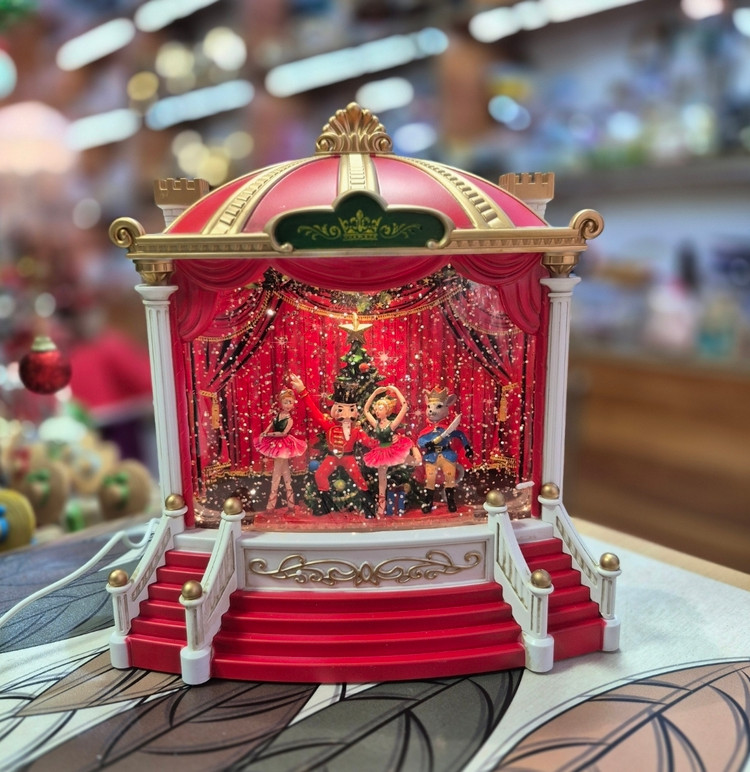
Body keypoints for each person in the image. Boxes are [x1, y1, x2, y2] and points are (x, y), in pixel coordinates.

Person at [289, 373, 377, 517]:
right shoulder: (329, 425)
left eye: (350, 410)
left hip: (349, 458)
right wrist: (303, 392)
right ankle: (325, 506)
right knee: (320, 475)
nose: (346, 415)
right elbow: (314, 411)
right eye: (341, 410)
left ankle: (369, 509)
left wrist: (385, 442)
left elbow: (369, 442)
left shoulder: (356, 430)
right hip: (332, 457)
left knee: (359, 479)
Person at [362, 385, 417, 517]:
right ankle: (381, 506)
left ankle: (414, 448)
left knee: (416, 462)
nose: (377, 411)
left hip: (393, 450)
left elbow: (404, 406)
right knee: (382, 480)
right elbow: (365, 410)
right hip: (381, 452)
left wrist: (396, 390)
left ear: (387, 411)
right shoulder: (376, 424)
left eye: (380, 408)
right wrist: (375, 393)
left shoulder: (391, 425)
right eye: (376, 409)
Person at [255, 388, 307, 510]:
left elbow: (283, 433)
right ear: (281, 403)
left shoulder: (289, 419)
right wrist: (265, 432)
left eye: (290, 402)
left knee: (277, 473)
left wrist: (268, 434)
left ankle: (271, 504)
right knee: (285, 472)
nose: (288, 405)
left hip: (283, 444)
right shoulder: (278, 415)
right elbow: (272, 424)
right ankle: (290, 504)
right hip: (275, 443)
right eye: (285, 402)